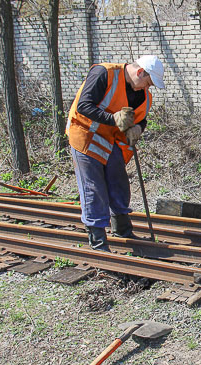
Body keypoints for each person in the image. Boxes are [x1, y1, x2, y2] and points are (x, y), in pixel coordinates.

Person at [66, 55, 165, 251]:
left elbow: (140, 117)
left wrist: (139, 128)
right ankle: (98, 240)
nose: (147, 88)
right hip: (86, 137)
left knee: (118, 182)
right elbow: (83, 106)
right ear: (140, 72)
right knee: (94, 188)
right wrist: (114, 119)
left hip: (111, 141)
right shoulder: (104, 74)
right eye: (147, 82)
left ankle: (122, 229)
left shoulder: (142, 94)